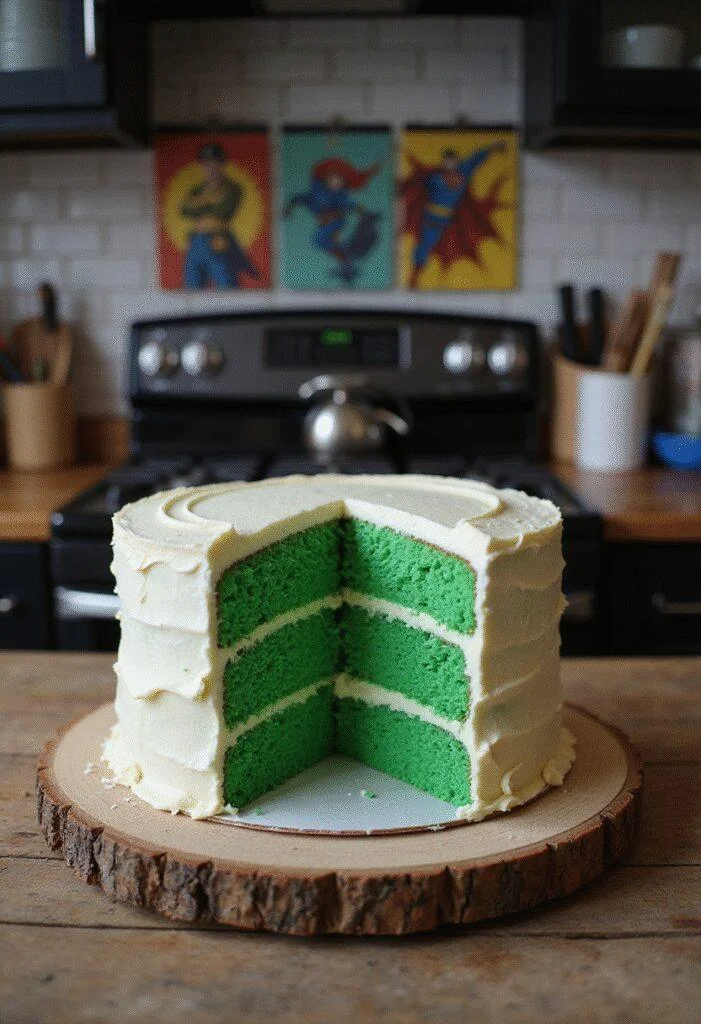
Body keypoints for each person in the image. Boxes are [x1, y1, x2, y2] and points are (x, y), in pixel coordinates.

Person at [409, 143, 506, 287]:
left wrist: (492, 148)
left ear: (456, 161)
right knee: (426, 244)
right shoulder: (435, 178)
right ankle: (415, 276)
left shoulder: (463, 171)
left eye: (453, 161)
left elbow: (475, 159)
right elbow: (422, 186)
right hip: (432, 218)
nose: (450, 164)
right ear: (444, 162)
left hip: (450, 219)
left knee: (452, 242)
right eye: (447, 161)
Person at [285, 158, 380, 284]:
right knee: (322, 241)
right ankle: (347, 265)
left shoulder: (339, 196)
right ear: (326, 179)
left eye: (339, 181)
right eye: (333, 180)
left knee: (323, 239)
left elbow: (351, 205)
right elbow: (299, 199)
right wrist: (289, 208)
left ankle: (347, 263)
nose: (336, 183)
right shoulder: (316, 194)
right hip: (325, 224)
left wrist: (365, 213)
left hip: (336, 222)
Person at [180, 143, 259, 289]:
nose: (211, 168)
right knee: (192, 284)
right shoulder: (197, 189)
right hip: (197, 240)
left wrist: (200, 203)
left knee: (226, 283)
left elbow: (223, 210)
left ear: (222, 165)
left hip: (218, 239)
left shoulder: (232, 187)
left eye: (215, 163)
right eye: (207, 164)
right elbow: (185, 210)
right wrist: (211, 201)